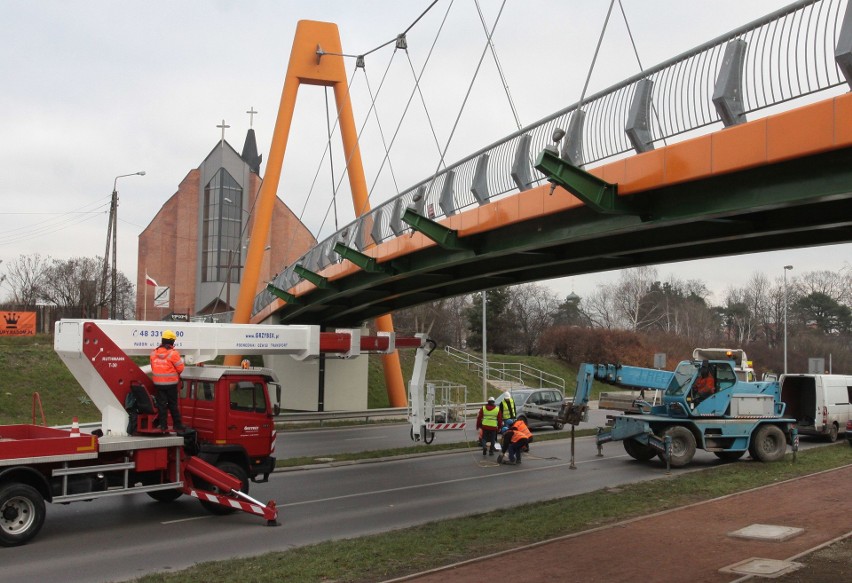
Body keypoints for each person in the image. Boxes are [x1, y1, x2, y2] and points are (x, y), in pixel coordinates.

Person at [150, 329, 186, 432]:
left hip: (158, 384)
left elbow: (153, 368)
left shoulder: (153, 353)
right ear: (171, 341)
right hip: (171, 384)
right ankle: (177, 425)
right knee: (173, 405)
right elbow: (180, 368)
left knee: (162, 405)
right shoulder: (173, 354)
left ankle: (163, 426)